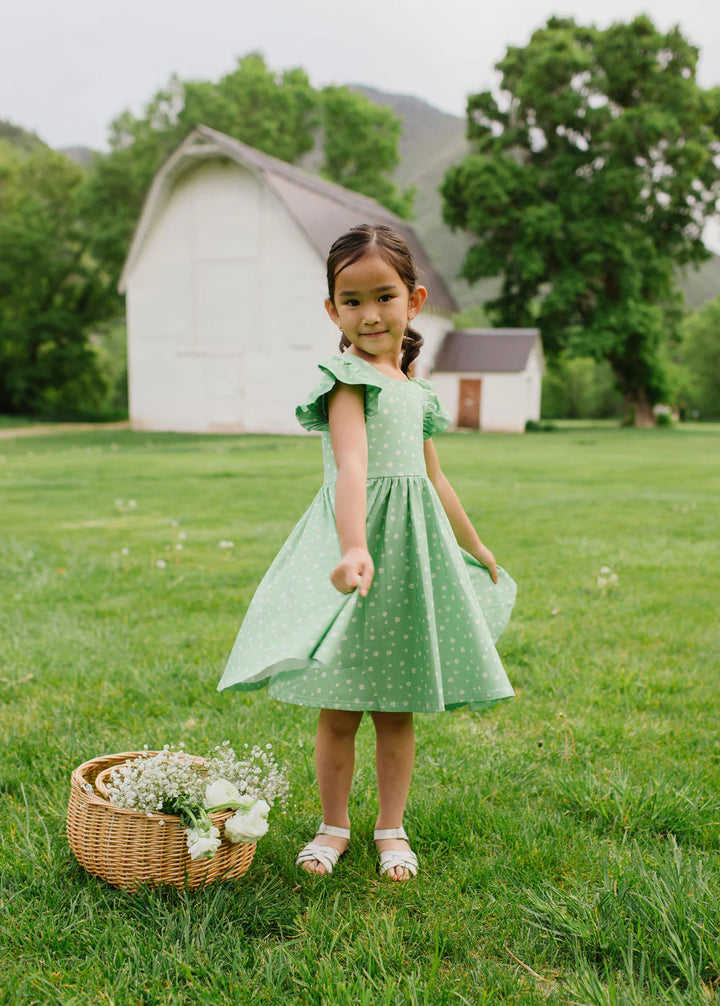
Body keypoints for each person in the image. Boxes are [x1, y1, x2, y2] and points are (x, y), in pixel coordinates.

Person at [218, 224, 516, 881]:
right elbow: (351, 465)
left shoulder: (413, 386)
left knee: (396, 704)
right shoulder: (347, 381)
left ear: (414, 301)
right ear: (333, 311)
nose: (370, 313)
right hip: (357, 556)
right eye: (352, 301)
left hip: (409, 556)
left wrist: (474, 543)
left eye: (383, 297)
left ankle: (391, 827)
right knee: (341, 702)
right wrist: (354, 546)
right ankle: (333, 825)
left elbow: (435, 478)